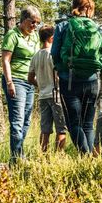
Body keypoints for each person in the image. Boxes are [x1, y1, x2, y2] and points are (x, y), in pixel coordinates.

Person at [51, 0, 102, 154]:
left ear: (74, 6)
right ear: (90, 9)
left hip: (69, 80)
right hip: (92, 81)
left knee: (74, 124)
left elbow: (54, 53)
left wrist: (60, 68)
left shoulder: (63, 26)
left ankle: (86, 156)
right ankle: (90, 158)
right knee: (88, 124)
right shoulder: (96, 28)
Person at [1, 6, 41, 161]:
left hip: (30, 81)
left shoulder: (35, 36)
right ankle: (17, 159)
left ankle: (18, 154)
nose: (35, 25)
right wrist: (9, 82)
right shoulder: (12, 35)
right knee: (17, 121)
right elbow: (6, 60)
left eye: (37, 23)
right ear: (23, 20)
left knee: (26, 121)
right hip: (16, 80)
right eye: (32, 22)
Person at [28, 23, 67, 153]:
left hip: (43, 96)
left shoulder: (35, 56)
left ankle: (43, 156)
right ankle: (58, 156)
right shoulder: (54, 55)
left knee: (45, 130)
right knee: (61, 129)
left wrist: (41, 84)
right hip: (56, 95)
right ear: (52, 38)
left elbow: (30, 78)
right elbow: (59, 75)